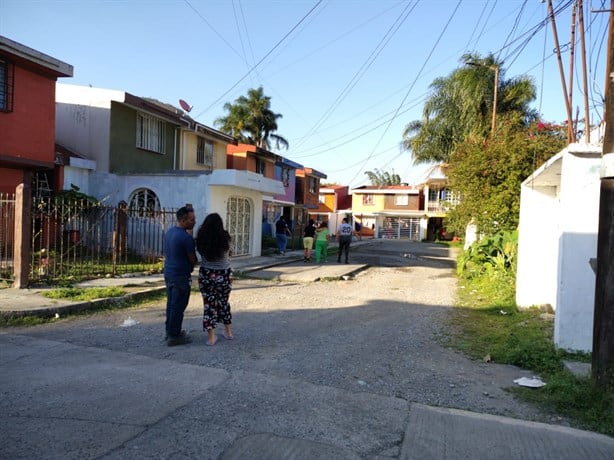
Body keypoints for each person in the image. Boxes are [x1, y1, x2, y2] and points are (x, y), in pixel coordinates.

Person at [196, 213, 234, 346]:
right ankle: (228, 332)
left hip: (207, 274)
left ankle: (211, 337)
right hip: (224, 274)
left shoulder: (201, 238)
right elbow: (230, 253)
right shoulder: (226, 238)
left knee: (209, 305)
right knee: (224, 302)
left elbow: (200, 253)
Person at [163, 206, 197, 346]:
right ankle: (174, 336)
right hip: (180, 275)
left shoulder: (170, 232)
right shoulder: (186, 238)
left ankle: (170, 331)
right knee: (179, 306)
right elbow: (192, 258)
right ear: (183, 220)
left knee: (171, 304)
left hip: (169, 273)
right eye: (191, 220)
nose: (194, 222)